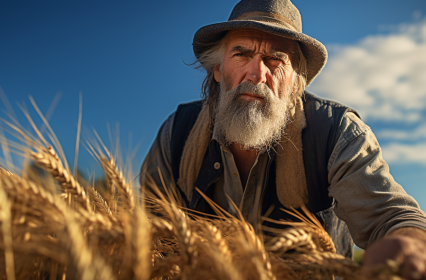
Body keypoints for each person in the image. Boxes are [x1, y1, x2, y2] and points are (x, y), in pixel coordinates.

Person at [141, 0, 426, 278]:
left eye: (275, 59)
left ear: (295, 81)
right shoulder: (176, 135)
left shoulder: (336, 133)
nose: (256, 74)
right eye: (241, 54)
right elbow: (145, 233)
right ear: (218, 69)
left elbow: (391, 216)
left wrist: (409, 242)